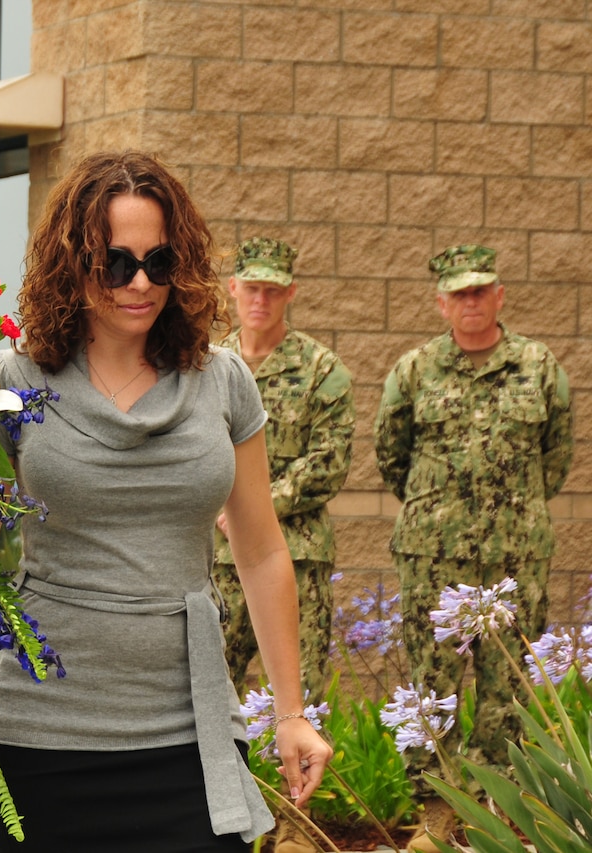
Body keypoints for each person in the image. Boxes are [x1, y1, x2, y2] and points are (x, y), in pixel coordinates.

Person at [0, 151, 333, 852]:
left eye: (159, 262)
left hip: (191, 731)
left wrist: (290, 711)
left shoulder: (222, 380)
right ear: (73, 264)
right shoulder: (13, 381)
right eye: (116, 264)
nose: (140, 284)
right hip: (42, 734)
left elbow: (261, 551)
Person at [374, 243, 574, 852]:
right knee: (431, 684)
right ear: (441, 302)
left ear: (500, 296)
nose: (471, 302)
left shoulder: (540, 367)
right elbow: (392, 455)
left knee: (508, 688)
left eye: (481, 290)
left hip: (517, 559)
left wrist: (510, 513)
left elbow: (556, 457)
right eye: (459, 293)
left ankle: (504, 818)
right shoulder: (413, 371)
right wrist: (442, 514)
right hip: (433, 557)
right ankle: (435, 818)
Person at [213, 237, 353, 853]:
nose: (262, 298)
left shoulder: (322, 369)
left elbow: (332, 460)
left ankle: (297, 830)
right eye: (252, 287)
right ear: (233, 290)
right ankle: (222, 816)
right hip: (213, 561)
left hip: (293, 555)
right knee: (210, 688)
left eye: (274, 288)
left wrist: (251, 505)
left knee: (301, 695)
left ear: (290, 292)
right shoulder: (208, 365)